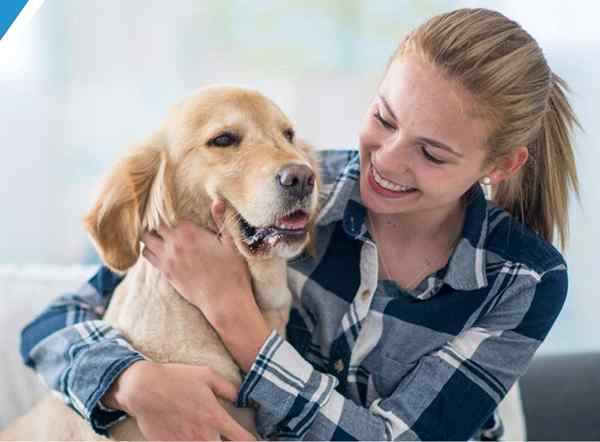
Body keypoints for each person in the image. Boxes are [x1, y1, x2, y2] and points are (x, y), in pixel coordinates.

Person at [20, 8, 578, 441]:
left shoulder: (523, 279)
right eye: (383, 119)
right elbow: (53, 322)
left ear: (499, 166)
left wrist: (233, 313)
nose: (384, 162)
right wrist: (129, 383)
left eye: (430, 154)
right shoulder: (289, 192)